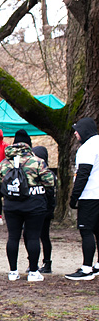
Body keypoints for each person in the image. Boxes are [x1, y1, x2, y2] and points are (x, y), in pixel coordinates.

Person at [0, 129, 55, 282]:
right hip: (34, 205)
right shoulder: (37, 162)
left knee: (13, 237)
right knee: (33, 237)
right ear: (28, 145)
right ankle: (33, 272)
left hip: (11, 205)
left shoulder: (4, 163)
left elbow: (0, 180)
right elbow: (50, 181)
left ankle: (13, 272)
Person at [66, 117, 99, 280]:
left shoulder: (87, 148)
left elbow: (83, 174)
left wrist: (74, 198)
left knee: (86, 231)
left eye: (77, 130)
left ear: (84, 130)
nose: (76, 133)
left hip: (90, 195)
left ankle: (86, 269)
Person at [32, 145, 56, 274]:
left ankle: (47, 262)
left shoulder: (47, 174)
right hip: (35, 209)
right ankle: (33, 262)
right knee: (34, 236)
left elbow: (50, 194)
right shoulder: (32, 171)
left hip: (44, 210)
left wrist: (49, 210)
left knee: (44, 237)